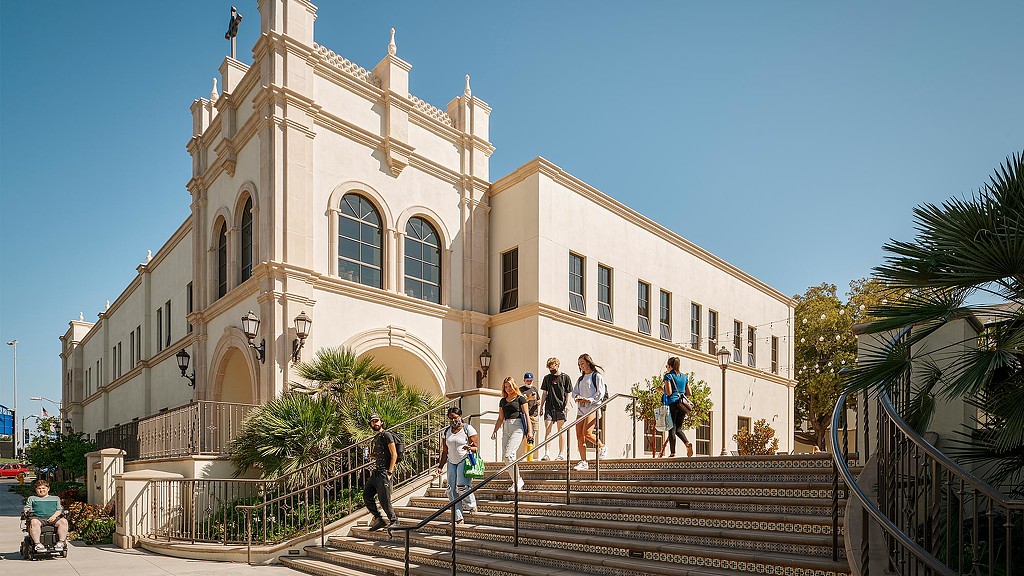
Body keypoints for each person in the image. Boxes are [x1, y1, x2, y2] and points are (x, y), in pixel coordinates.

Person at [435, 407, 479, 524]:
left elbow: (475, 447)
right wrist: (440, 466)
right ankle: (458, 517)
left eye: (455, 418)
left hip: (464, 459)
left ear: (460, 416)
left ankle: (471, 505)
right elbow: (445, 451)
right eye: (450, 419)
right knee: (450, 489)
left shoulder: (468, 429)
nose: (453, 421)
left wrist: (470, 447)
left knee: (461, 486)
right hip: (451, 461)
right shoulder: (446, 432)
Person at [490, 376, 532, 491]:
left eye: (509, 386)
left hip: (517, 427)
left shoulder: (520, 399)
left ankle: (518, 481)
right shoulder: (502, 401)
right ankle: (516, 480)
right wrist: (495, 430)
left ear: (514, 386)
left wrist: (529, 431)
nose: (508, 388)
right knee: (505, 457)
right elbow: (500, 418)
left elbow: (527, 415)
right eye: (506, 386)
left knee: (510, 455)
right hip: (506, 427)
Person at [572, 353, 608, 470]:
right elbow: (574, 392)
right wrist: (577, 397)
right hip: (581, 408)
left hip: (593, 407)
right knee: (579, 435)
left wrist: (589, 399)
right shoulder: (581, 379)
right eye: (579, 364)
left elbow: (600, 393)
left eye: (582, 363)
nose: (581, 366)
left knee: (587, 433)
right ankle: (583, 461)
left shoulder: (596, 376)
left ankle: (602, 446)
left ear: (588, 362)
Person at [363, 414, 398, 531]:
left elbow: (394, 454)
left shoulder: (387, 435)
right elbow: (380, 454)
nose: (375, 423)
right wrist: (370, 455)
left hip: (384, 472)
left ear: (381, 422)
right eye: (372, 421)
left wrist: (390, 472)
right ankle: (379, 519)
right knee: (367, 495)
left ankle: (394, 520)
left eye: (376, 421)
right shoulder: (376, 438)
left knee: (384, 499)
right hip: (376, 472)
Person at [538, 357, 573, 461]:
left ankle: (561, 454)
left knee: (560, 430)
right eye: (550, 368)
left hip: (560, 407)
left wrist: (566, 405)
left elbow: (568, 393)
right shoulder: (547, 378)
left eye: (553, 368)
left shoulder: (565, 377)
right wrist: (541, 407)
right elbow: (544, 393)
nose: (551, 370)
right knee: (548, 430)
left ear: (557, 365)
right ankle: (547, 453)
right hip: (549, 406)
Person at [24, 479, 68, 552]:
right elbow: (27, 508)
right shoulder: (32, 498)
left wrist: (54, 516)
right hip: (38, 518)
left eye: (43, 488)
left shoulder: (55, 498)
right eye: (39, 488)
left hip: (53, 518)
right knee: (34, 522)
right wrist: (26, 511)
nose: (41, 490)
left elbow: (59, 509)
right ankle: (37, 544)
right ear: (36, 490)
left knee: (64, 521)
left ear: (48, 489)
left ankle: (60, 543)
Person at [663, 356, 694, 458]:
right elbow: (689, 393)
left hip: (673, 403)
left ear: (670, 366)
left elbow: (669, 392)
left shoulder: (668, 376)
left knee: (672, 428)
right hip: (682, 404)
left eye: (667, 365)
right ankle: (687, 443)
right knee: (678, 428)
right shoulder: (684, 377)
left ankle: (672, 453)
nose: (667, 367)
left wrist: (662, 389)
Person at [519, 372, 540, 461]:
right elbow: (519, 402)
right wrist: (528, 399)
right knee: (525, 435)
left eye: (530, 380)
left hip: (534, 414)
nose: (529, 382)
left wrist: (538, 403)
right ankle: (524, 455)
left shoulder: (534, 389)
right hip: (524, 415)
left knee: (533, 435)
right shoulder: (520, 390)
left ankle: (530, 455)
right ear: (524, 380)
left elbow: (538, 400)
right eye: (527, 380)